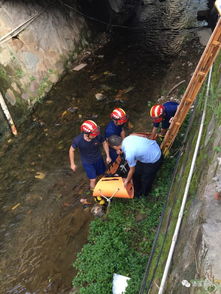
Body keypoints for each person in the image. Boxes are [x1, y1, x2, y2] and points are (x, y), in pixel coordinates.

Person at [69, 120, 111, 190]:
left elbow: (104, 142)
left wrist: (108, 156)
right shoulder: (78, 140)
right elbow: (71, 150)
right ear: (86, 133)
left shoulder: (97, 136)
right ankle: (94, 191)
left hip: (98, 158)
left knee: (102, 173)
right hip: (87, 162)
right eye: (93, 134)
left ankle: (104, 187)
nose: (95, 135)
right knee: (93, 179)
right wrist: (72, 164)